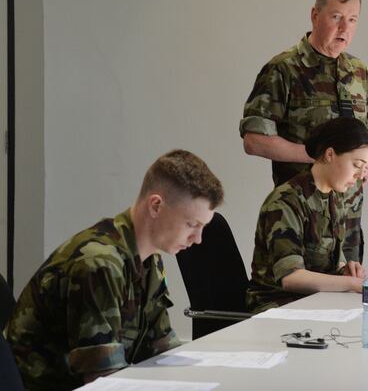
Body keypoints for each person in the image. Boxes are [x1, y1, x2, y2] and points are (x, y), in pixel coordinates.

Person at [4, 150, 224, 390]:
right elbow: (102, 379)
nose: (198, 238)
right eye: (192, 224)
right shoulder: (99, 264)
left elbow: (162, 349)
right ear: (156, 206)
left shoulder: (151, 261)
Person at [239, 0, 368, 264]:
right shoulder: (284, 70)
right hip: (301, 217)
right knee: (305, 300)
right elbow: (254, 140)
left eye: (352, 20)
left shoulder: (360, 72)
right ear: (315, 15)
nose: (345, 28)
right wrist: (318, 155)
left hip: (348, 219)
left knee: (349, 298)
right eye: (336, 17)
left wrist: (367, 164)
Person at [247, 118, 368, 314]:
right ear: (330, 154)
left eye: (367, 167)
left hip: (315, 301)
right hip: (277, 307)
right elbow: (291, 277)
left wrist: (347, 271)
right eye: (357, 165)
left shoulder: (335, 196)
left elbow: (321, 260)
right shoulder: (286, 201)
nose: (360, 175)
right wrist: (351, 284)